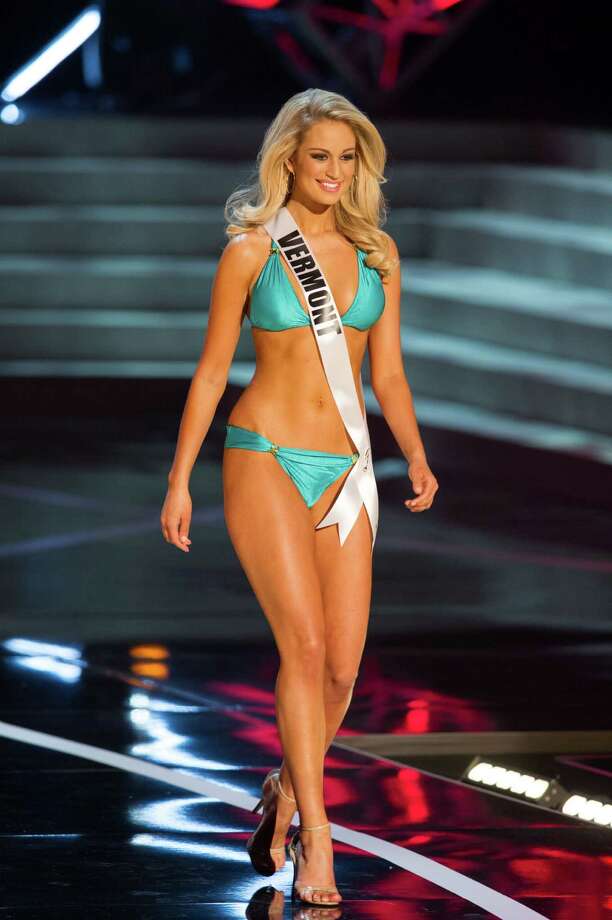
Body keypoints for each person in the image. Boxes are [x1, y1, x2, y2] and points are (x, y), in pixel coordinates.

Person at [160, 87, 439, 907]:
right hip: (266, 454)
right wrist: (179, 479)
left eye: (347, 158)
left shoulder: (379, 253)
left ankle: (285, 787)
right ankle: (316, 839)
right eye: (320, 156)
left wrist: (416, 454)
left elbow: (388, 373)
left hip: (345, 468)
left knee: (344, 668)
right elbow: (211, 372)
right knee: (305, 646)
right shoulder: (251, 251)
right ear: (289, 159)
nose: (334, 172)